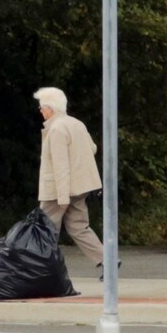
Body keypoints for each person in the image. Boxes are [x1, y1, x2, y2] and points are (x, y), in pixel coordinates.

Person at [34, 87, 106, 271]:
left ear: (50, 109)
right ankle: (107, 260)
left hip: (58, 191)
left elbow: (61, 166)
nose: (40, 111)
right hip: (80, 188)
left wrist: (62, 198)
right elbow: (93, 148)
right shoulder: (77, 124)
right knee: (79, 227)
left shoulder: (56, 129)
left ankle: (41, 270)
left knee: (45, 229)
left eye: (41, 107)